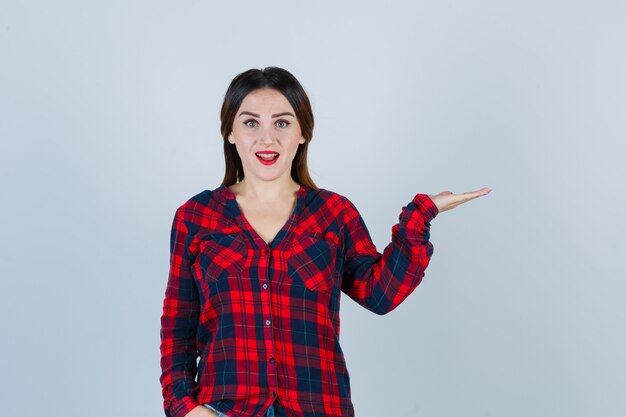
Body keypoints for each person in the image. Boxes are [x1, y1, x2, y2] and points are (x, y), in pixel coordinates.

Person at [159, 67, 491, 417]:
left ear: (303, 132)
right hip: (225, 409)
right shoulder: (196, 217)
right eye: (251, 123)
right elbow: (178, 329)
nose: (267, 138)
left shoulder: (334, 213)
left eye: (282, 123)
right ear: (230, 132)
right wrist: (187, 409)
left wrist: (420, 216)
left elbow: (380, 294)